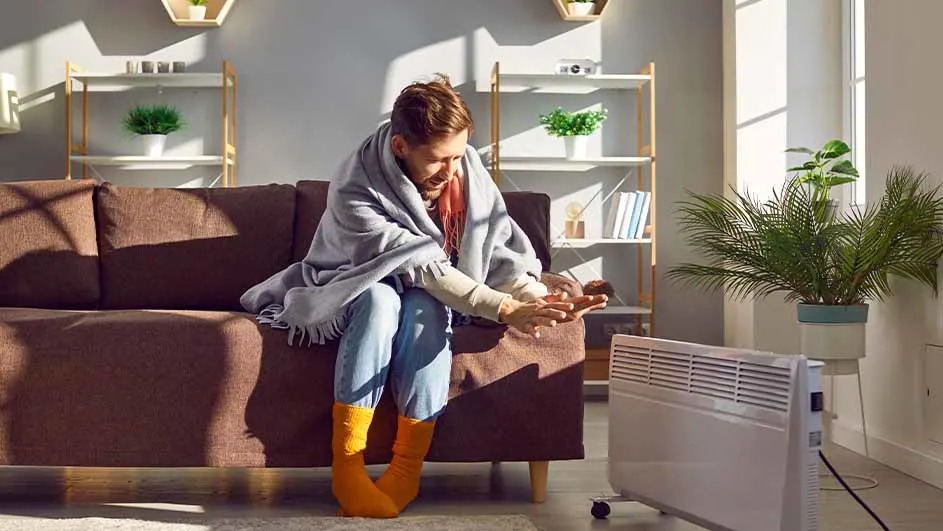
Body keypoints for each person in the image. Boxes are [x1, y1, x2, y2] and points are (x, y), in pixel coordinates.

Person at [240, 75, 607, 518]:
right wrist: (505, 308)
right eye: (437, 160)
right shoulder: (357, 186)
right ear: (400, 147)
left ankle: (406, 469)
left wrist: (535, 299)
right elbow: (423, 266)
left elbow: (500, 254)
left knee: (427, 307)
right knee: (379, 303)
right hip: (356, 279)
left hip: (437, 292)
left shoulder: (466, 170)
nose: (452, 171)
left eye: (458, 156)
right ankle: (348, 467)